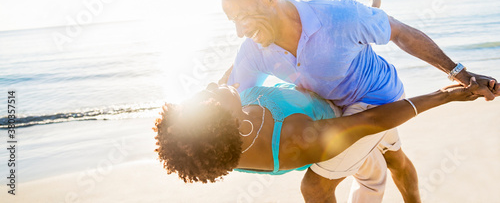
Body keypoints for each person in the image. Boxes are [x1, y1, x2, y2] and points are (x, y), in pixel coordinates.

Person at [219, 0, 499, 203]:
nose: (239, 31)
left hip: (382, 100)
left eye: (242, 17)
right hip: (335, 107)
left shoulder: (339, 16)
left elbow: (401, 33)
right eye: (232, 22)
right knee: (394, 160)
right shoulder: (253, 50)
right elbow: (227, 95)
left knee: (315, 187)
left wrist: (459, 72)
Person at [154, 80, 481, 203]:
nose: (213, 83)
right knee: (377, 170)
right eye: (210, 96)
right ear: (227, 125)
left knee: (396, 158)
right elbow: (367, 121)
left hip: (339, 103)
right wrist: (445, 96)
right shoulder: (293, 140)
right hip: (346, 130)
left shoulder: (219, 131)